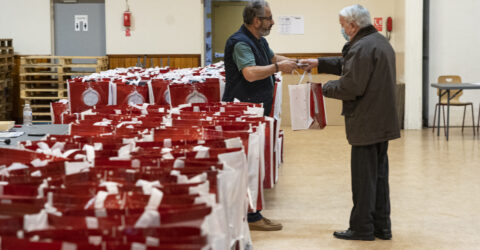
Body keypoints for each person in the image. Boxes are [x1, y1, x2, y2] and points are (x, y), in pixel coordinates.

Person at [300, 4, 400, 241]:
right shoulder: (378, 42)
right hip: (381, 121)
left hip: (366, 122)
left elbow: (351, 85)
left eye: (342, 26)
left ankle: (362, 228)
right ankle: (381, 226)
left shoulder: (363, 47)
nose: (342, 30)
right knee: (378, 176)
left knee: (363, 178)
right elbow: (351, 65)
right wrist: (319, 63)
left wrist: (322, 89)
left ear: (353, 25)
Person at [222, 0, 297, 231]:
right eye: (269, 18)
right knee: (246, 163)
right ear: (257, 21)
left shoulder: (259, 41)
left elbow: (272, 58)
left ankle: (249, 210)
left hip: (255, 111)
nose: (273, 22)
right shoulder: (240, 43)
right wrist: (278, 69)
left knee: (252, 162)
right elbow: (251, 74)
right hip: (241, 114)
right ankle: (251, 216)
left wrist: (294, 62)